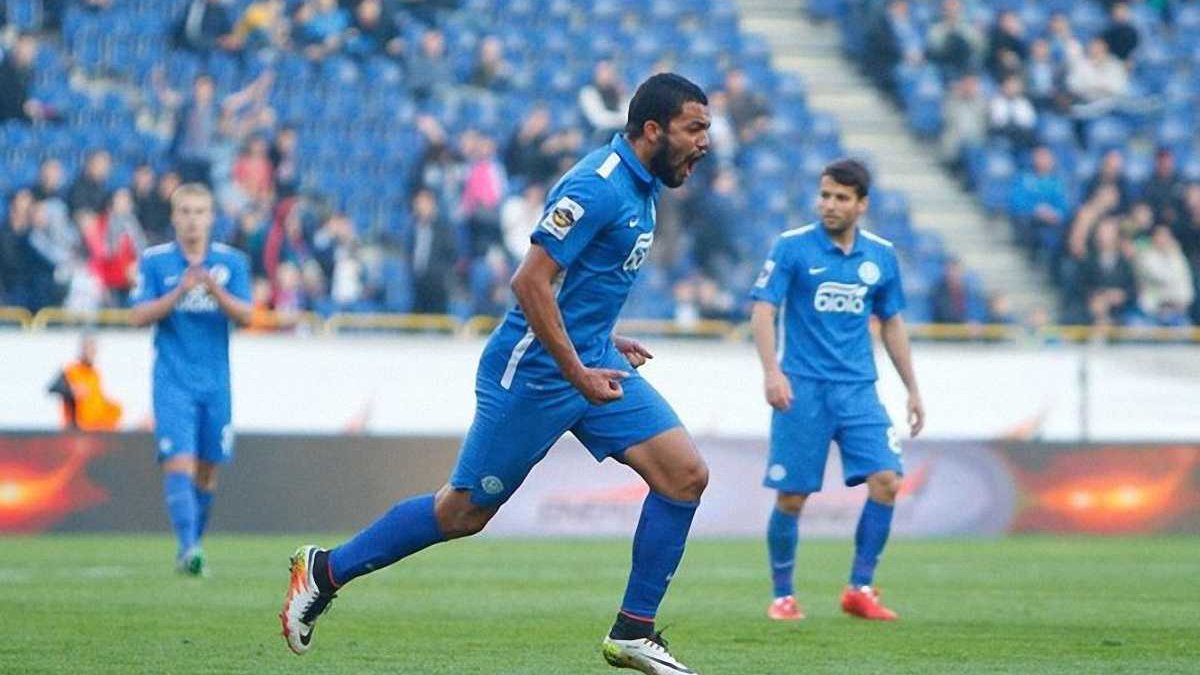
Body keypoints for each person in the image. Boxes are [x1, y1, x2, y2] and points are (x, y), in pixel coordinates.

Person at [280, 73, 712, 675]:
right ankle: (325, 570)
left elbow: (576, 285)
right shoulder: (597, 185)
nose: (705, 142)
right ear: (653, 130)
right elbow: (529, 282)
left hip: (591, 360)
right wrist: (577, 370)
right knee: (461, 513)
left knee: (685, 476)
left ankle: (633, 631)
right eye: (695, 128)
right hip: (533, 371)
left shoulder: (643, 188)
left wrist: (602, 341)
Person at [749, 159, 925, 623]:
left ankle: (860, 588)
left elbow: (892, 323)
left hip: (858, 390)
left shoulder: (880, 256)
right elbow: (763, 310)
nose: (829, 204)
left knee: (887, 480)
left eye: (841, 198)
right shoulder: (791, 247)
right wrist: (771, 372)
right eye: (825, 195)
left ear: (861, 204)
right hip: (801, 389)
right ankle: (783, 596)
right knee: (792, 497)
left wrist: (912, 389)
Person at [130, 184, 252, 576]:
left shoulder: (231, 263)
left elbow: (247, 315)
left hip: (216, 382)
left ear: (211, 217)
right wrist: (178, 293)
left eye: (200, 211)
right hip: (173, 381)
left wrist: (214, 290)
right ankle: (189, 548)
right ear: (174, 216)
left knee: (207, 470)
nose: (192, 219)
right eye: (185, 211)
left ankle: (192, 545)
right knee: (178, 461)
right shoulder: (156, 262)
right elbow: (138, 315)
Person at [47, 333, 123, 431]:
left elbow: (98, 401)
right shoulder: (71, 370)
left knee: (117, 409)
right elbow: (53, 388)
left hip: (96, 426)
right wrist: (71, 390)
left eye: (93, 348)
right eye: (87, 347)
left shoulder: (95, 374)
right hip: (77, 428)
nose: (91, 351)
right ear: (81, 349)